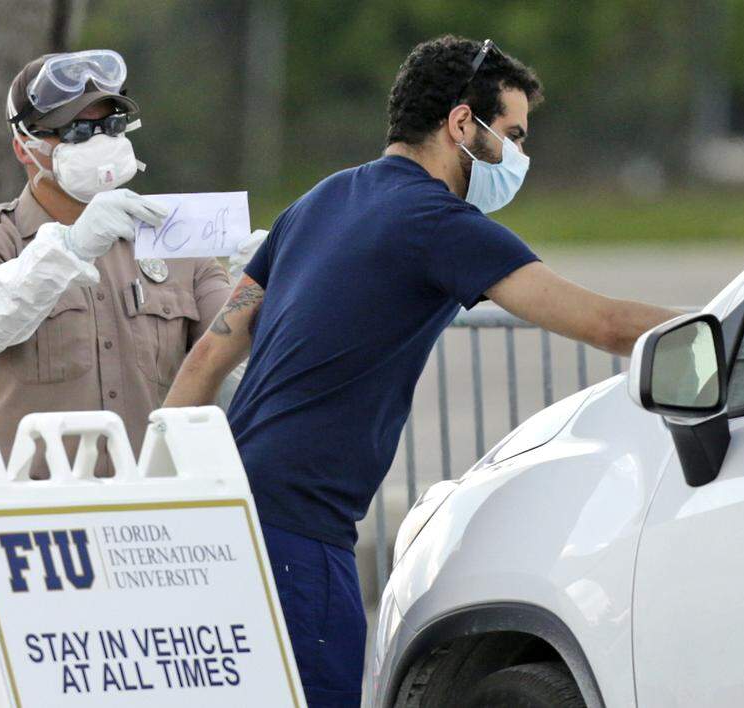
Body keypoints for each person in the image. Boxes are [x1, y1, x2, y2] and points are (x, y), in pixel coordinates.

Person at [163, 36, 680, 705]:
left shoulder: (317, 201)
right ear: (463, 123)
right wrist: (739, 327)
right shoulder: (437, 222)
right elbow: (605, 324)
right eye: (514, 135)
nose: (520, 156)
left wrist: (164, 497)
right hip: (300, 532)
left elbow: (208, 354)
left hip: (224, 508)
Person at [0, 50, 232, 475]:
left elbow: (239, 354)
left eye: (110, 126)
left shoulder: (171, 238)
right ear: (25, 148)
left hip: (152, 509)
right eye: (75, 131)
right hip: (35, 514)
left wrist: (267, 282)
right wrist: (71, 247)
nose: (99, 142)